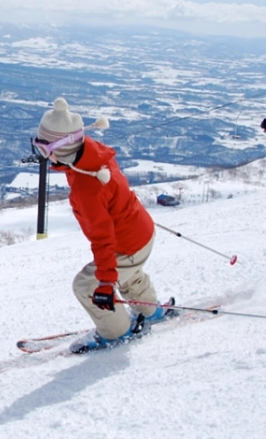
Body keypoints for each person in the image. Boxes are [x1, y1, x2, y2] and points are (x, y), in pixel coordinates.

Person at [32, 98, 174, 354]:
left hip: (126, 244)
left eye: (44, 149)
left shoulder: (88, 187)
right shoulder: (91, 154)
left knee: (86, 285)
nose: (43, 155)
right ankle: (151, 312)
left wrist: (106, 284)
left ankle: (117, 332)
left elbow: (103, 239)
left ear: (62, 147)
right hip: (141, 232)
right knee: (130, 274)